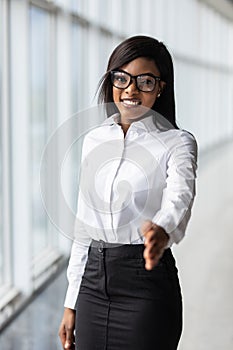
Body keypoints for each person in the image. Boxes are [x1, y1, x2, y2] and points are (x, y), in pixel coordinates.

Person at [59, 35, 198, 350]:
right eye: (121, 78)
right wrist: (71, 302)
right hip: (92, 285)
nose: (131, 90)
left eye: (145, 81)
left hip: (144, 287)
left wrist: (162, 231)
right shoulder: (95, 140)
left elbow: (180, 197)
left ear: (160, 87)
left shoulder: (177, 142)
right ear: (111, 81)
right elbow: (84, 224)